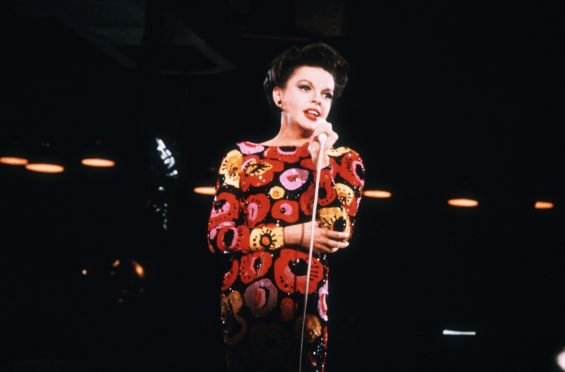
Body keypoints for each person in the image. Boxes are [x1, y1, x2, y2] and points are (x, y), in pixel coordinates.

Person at [207, 42, 365, 372]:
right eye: (305, 88)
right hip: (243, 309)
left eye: (326, 94)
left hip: (305, 313)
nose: (317, 100)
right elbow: (220, 237)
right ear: (279, 96)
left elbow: (338, 234)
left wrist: (319, 163)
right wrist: (294, 234)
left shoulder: (344, 160)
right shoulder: (243, 157)